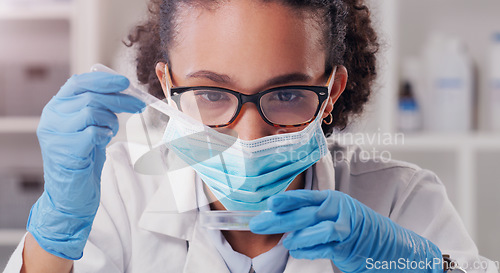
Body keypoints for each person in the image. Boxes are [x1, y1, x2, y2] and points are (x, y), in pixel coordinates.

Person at [3, 0, 496, 272]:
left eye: (286, 95)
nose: (249, 135)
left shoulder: (398, 200)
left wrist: (419, 270)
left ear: (331, 90)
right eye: (213, 94)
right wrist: (57, 232)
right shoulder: (117, 193)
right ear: (170, 85)